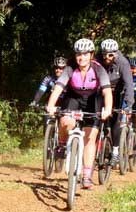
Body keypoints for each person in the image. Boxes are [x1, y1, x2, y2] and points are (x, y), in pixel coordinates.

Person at [45, 39, 113, 189]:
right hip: (73, 98)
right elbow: (58, 88)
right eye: (78, 54)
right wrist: (51, 105)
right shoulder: (70, 68)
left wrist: (107, 109)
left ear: (91, 55)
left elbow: (107, 92)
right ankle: (62, 144)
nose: (81, 57)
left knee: (90, 137)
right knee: (65, 121)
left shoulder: (99, 69)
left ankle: (87, 176)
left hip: (93, 100)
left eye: (85, 54)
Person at [96, 39, 133, 166]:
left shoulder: (123, 63)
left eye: (110, 54)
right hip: (100, 91)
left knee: (115, 121)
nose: (107, 57)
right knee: (95, 117)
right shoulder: (97, 60)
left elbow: (129, 84)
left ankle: (116, 151)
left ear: (116, 53)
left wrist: (128, 104)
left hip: (117, 93)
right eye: (104, 54)